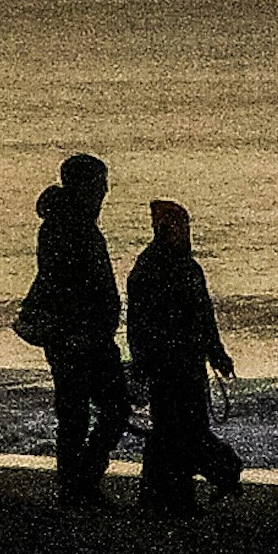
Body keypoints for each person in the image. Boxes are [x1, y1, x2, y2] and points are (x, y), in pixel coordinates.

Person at [23, 153, 128, 507]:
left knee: (87, 412)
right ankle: (78, 483)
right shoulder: (66, 228)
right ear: (81, 186)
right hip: (78, 338)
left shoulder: (74, 223)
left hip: (84, 335)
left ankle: (77, 483)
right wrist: (81, 331)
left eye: (103, 183)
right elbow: (64, 285)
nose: (104, 191)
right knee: (94, 412)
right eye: (98, 183)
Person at [126, 198, 241, 516]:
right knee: (177, 433)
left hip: (182, 363)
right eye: (170, 225)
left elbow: (203, 315)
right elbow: (142, 319)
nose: (175, 231)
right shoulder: (158, 266)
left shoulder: (165, 266)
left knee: (173, 434)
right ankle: (213, 479)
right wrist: (143, 357)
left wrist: (216, 353)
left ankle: (167, 498)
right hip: (172, 364)